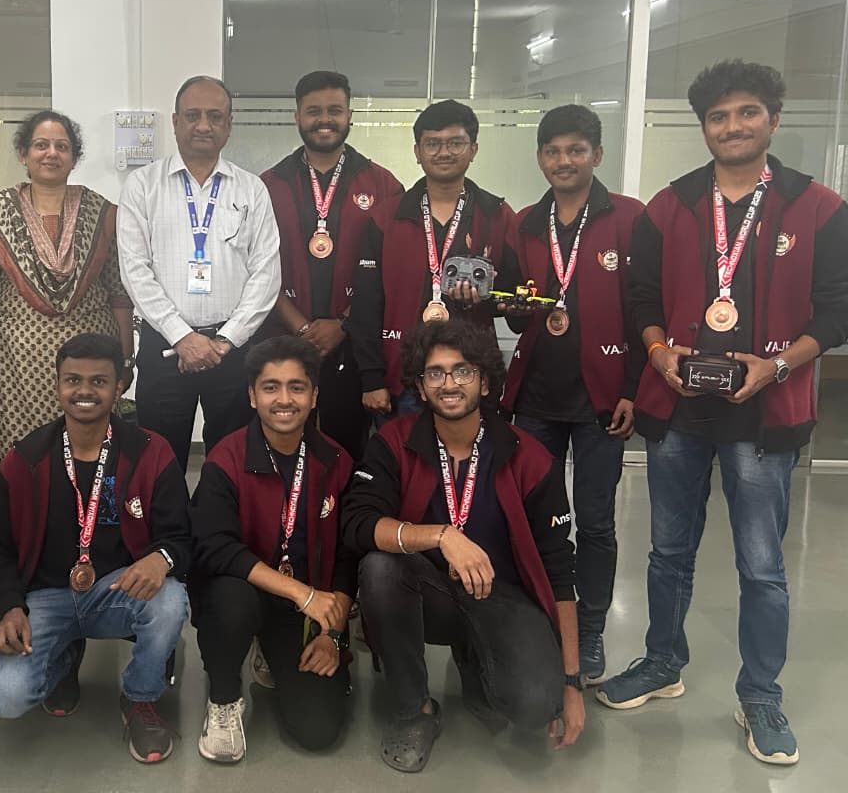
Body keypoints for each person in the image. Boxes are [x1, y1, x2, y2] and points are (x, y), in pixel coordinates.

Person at [598, 60, 848, 766]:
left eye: (747, 112)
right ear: (703, 126)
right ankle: (662, 663)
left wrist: (778, 366)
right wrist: (657, 354)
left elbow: (837, 310)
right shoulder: (670, 206)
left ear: (773, 118)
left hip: (766, 415)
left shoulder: (819, 207)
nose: (732, 126)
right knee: (667, 552)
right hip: (678, 412)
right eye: (718, 116)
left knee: (762, 567)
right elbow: (641, 299)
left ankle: (760, 695)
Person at [341, 320, 584, 773]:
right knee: (379, 568)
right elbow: (358, 523)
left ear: (485, 382)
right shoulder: (393, 442)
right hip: (424, 589)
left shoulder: (531, 458)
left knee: (535, 706)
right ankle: (414, 709)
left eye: (463, 371)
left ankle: (475, 660)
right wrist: (440, 535)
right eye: (435, 373)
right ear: (420, 385)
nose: (449, 383)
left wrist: (571, 681)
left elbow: (559, 568)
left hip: (502, 595)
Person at [0, 333, 191, 763]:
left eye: (99, 381)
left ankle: (140, 698)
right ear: (57, 385)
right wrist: (9, 607)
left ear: (120, 386)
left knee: (170, 601)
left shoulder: (151, 452)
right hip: (45, 597)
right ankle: (63, 656)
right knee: (6, 697)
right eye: (73, 380)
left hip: (117, 590)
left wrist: (160, 557)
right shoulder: (26, 458)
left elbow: (183, 535)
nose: (85, 391)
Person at [500, 105, 644, 685]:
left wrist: (633, 389)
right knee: (538, 516)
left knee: (596, 522)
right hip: (536, 399)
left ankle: (590, 629)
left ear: (597, 155)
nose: (564, 161)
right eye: (553, 151)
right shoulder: (525, 224)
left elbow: (644, 308)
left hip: (601, 402)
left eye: (576, 150)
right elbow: (516, 315)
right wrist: (511, 305)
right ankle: (543, 617)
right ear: (540, 158)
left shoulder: (629, 217)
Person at [190, 336, 356, 762]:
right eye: (271, 387)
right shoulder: (225, 459)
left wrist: (332, 634)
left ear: (314, 396)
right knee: (230, 598)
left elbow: (348, 554)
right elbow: (214, 547)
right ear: (252, 396)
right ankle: (224, 698)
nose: (284, 400)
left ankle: (271, 651)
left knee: (318, 731)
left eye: (297, 387)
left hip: (302, 611)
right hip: (243, 595)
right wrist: (302, 593)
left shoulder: (336, 461)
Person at [118, 75, 281, 472]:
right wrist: (183, 337)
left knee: (233, 461)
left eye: (215, 116)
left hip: (233, 351)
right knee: (159, 460)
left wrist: (225, 341)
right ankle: (167, 518)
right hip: (164, 347)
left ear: (229, 125)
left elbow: (266, 274)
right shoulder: (143, 186)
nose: (203, 125)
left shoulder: (252, 189)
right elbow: (135, 270)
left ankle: (219, 516)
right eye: (192, 115)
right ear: (175, 122)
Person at [0, 111, 134, 493]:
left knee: (89, 451)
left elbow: (118, 291)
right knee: (15, 453)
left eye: (62, 146)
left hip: (90, 357)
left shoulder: (101, 212)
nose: (51, 153)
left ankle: (88, 523)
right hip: (12, 365)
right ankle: (14, 527)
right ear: (23, 154)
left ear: (74, 158)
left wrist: (125, 357)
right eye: (41, 145)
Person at [348, 99, 521, 420]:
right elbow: (366, 305)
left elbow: (512, 298)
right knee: (404, 454)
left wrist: (484, 298)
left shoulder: (497, 215)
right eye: (432, 143)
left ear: (473, 149)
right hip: (403, 377)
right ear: (417, 151)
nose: (444, 152)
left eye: (456, 143)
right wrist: (372, 378)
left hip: (472, 376)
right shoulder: (386, 217)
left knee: (470, 454)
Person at [262, 71, 403, 461]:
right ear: (297, 116)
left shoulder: (383, 185)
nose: (324, 119)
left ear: (349, 115)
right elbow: (254, 268)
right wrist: (301, 327)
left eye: (334, 110)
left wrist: (343, 324)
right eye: (314, 111)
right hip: (282, 339)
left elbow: (393, 272)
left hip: (355, 348)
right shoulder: (267, 186)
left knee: (346, 454)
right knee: (280, 453)